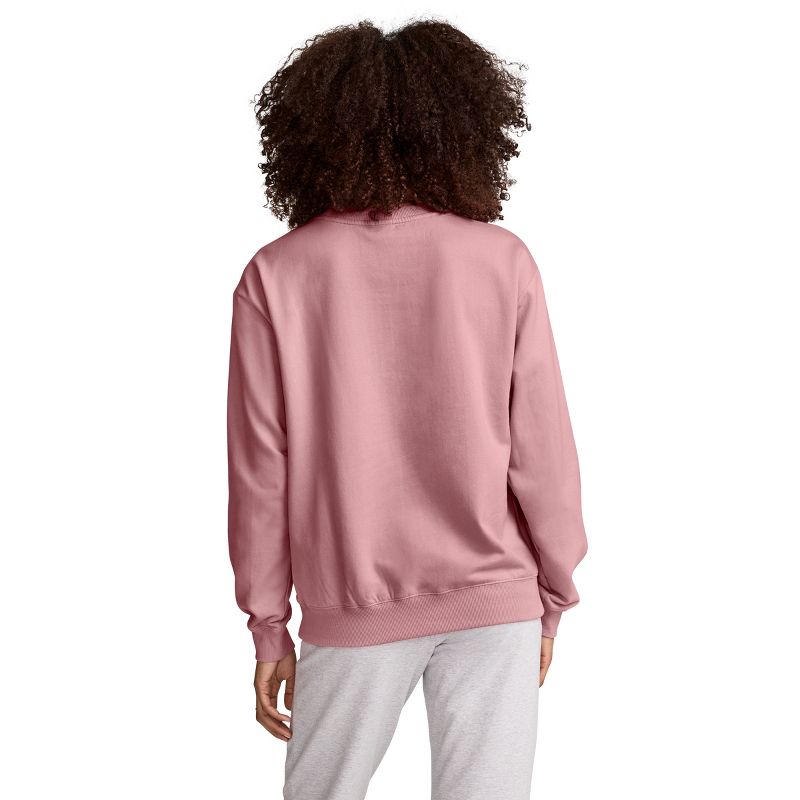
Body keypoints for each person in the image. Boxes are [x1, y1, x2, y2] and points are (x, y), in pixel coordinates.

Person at [226, 18, 588, 800]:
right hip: (496, 600)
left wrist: (268, 626)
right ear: (462, 125)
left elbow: (259, 472)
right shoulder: (502, 261)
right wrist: (553, 596)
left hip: (351, 603)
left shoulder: (277, 276)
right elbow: (545, 455)